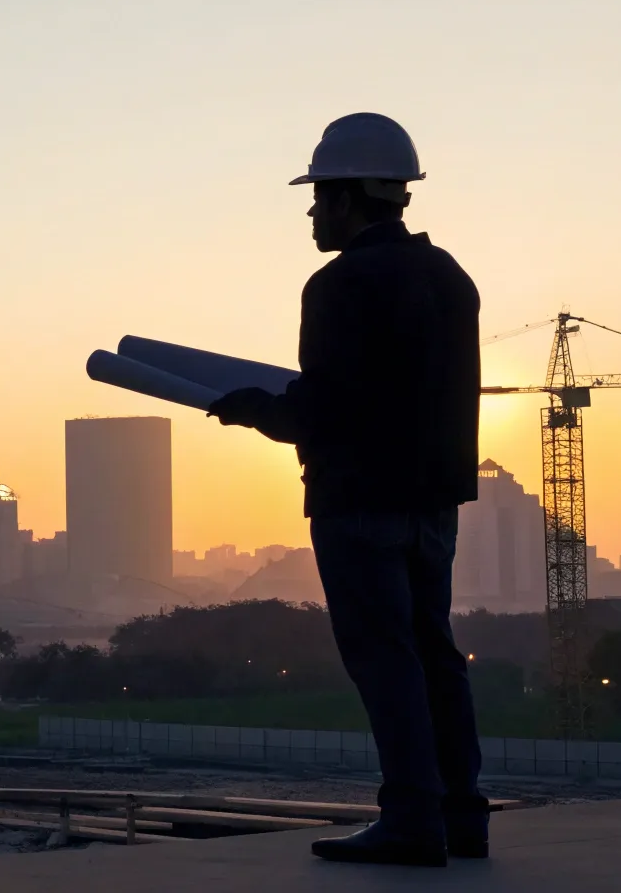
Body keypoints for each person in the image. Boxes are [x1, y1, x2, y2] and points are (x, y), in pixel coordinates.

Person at [208, 112, 489, 868]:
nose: (310, 214)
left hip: (358, 499)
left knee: (385, 658)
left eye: (317, 198)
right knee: (434, 653)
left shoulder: (340, 284)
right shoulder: (449, 277)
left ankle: (411, 821)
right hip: (433, 501)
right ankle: (462, 817)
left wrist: (251, 408)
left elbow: (326, 410)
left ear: (345, 198)